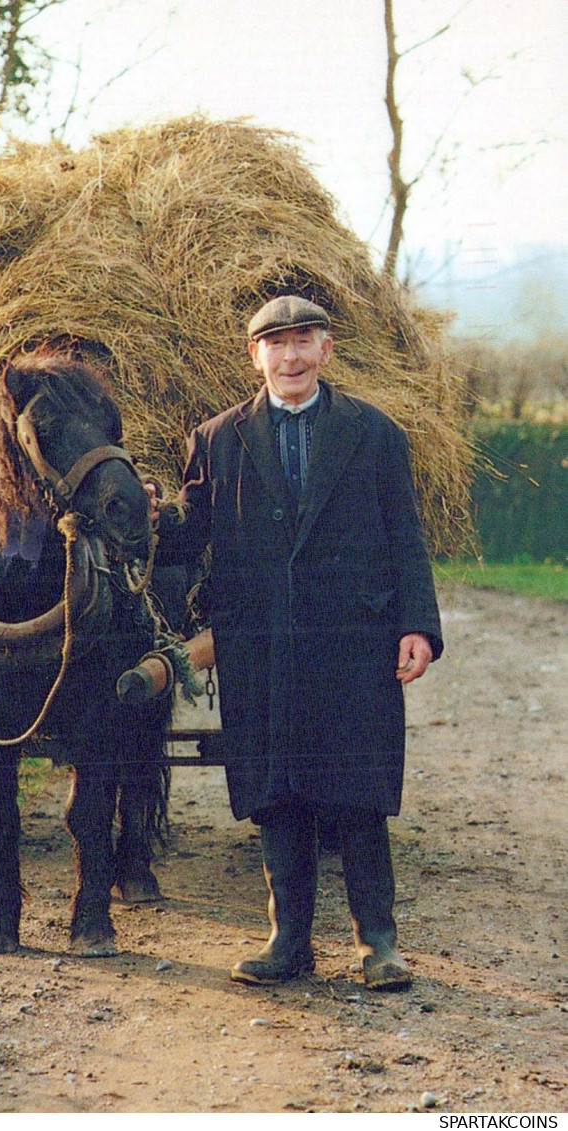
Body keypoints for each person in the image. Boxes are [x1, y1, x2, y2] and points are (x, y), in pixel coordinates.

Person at [153, 294, 443, 990]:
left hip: (352, 642)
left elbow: (405, 538)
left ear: (325, 349)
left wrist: (417, 626)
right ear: (253, 354)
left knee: (357, 791)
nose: (288, 356)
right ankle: (289, 941)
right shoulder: (216, 439)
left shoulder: (375, 435)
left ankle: (379, 943)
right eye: (273, 343)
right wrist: (138, 514)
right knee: (275, 789)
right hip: (260, 644)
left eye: (301, 341)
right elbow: (189, 537)